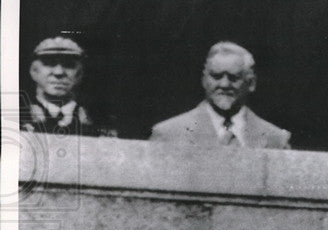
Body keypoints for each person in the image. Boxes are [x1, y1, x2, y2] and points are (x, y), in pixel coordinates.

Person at [149, 41, 290, 148]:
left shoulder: (276, 139)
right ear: (204, 80)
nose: (224, 85)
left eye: (234, 78)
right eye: (216, 76)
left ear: (251, 83)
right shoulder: (168, 134)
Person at [22, 36, 117, 137]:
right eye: (49, 63)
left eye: (69, 65)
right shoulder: (19, 115)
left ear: (80, 74)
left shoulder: (101, 120)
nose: (59, 72)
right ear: (34, 72)